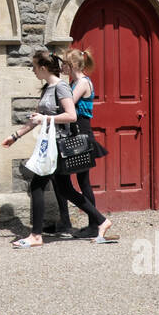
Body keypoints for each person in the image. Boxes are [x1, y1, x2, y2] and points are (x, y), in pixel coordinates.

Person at [2, 48, 115, 248]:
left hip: (60, 145)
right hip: (51, 144)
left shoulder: (63, 87)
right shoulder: (48, 88)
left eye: (34, 67)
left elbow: (71, 115)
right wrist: (15, 136)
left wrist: (45, 118)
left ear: (43, 68)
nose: (33, 71)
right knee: (65, 188)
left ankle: (36, 235)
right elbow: (37, 118)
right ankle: (101, 220)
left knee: (38, 185)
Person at [64, 48, 111, 237]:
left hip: (82, 134)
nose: (62, 67)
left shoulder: (82, 83)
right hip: (74, 134)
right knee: (81, 181)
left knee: (84, 182)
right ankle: (82, 222)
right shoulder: (75, 81)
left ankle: (94, 225)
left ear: (73, 65)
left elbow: (68, 103)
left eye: (65, 64)